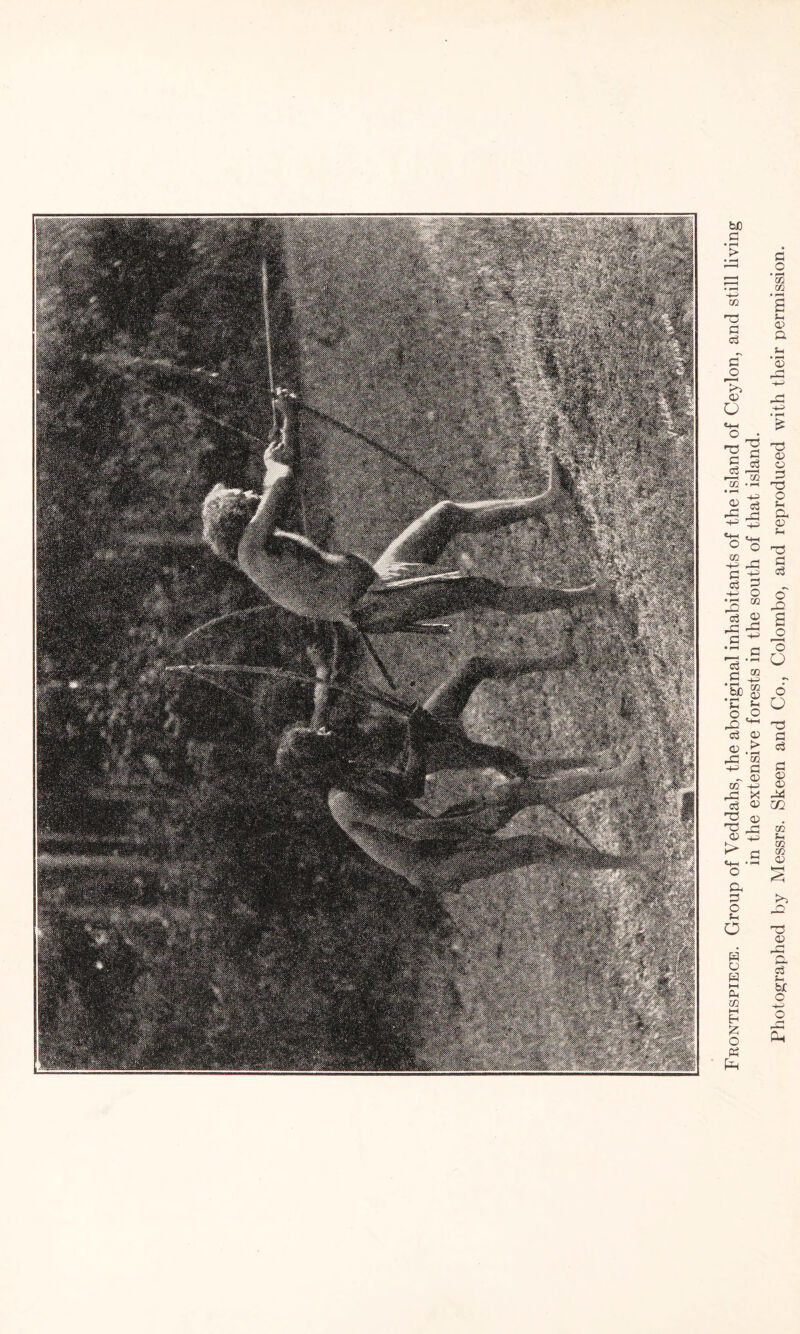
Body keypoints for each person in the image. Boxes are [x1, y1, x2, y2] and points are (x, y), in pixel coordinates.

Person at [201, 389, 603, 632]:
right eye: (238, 493)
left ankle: (550, 501)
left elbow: (286, 474)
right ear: (233, 514)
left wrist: (288, 424)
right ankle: (590, 597)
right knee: (482, 592)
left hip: (379, 581)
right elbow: (282, 480)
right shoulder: (250, 552)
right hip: (375, 601)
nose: (246, 491)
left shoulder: (258, 544)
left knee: (446, 514)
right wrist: (272, 465)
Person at [276, 648, 650, 893]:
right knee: (536, 847)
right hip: (435, 862)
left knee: (516, 793)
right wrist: (476, 830)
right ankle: (636, 864)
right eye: (317, 734)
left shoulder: (352, 769)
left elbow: (411, 790)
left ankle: (617, 776)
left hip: (439, 836)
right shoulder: (344, 800)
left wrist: (418, 741)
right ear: (319, 757)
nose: (324, 728)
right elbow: (414, 829)